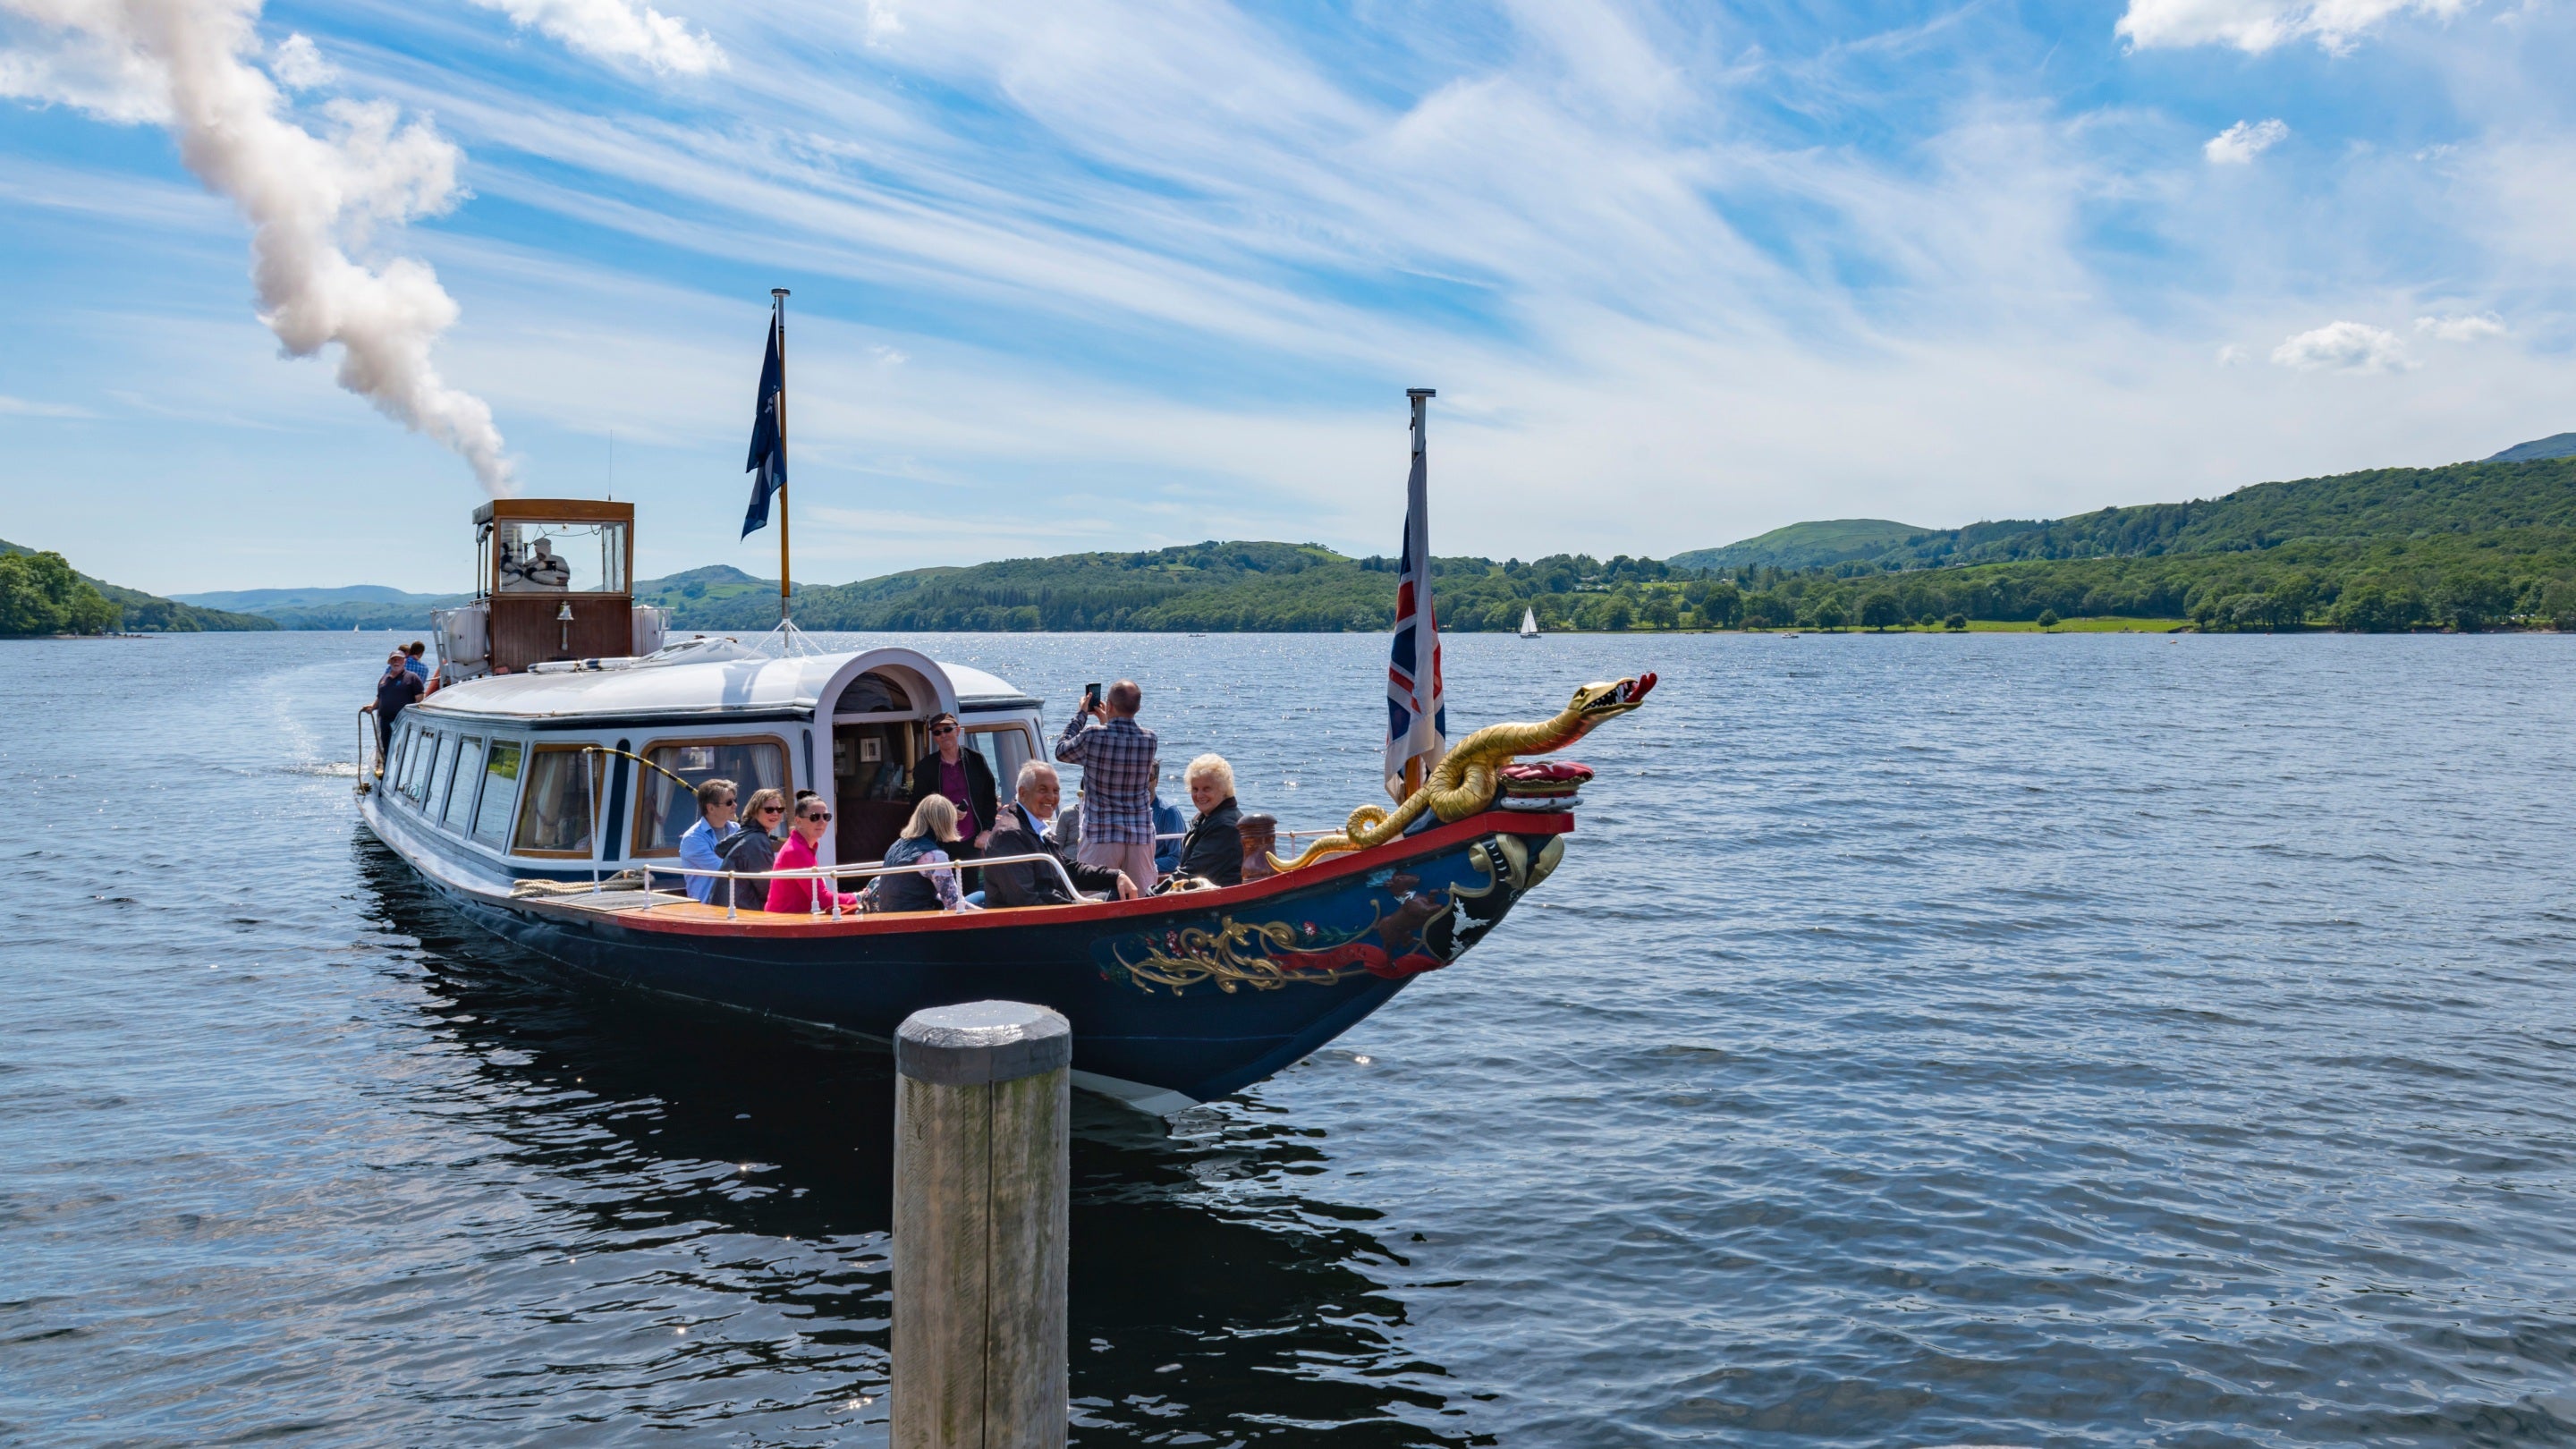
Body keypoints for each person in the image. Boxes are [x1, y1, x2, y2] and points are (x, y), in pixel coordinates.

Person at [983, 762, 1139, 908]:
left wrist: (1116, 876)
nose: (1051, 797)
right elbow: (1025, 900)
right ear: (1023, 793)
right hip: (1031, 930)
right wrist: (1079, 909)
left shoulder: (1034, 828)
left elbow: (1067, 870)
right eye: (1043, 790)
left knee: (1119, 893)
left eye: (1055, 791)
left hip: (1054, 916)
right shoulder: (1009, 836)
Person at [1055, 679, 1159, 894]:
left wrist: (1081, 714)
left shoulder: (1093, 735)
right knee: (1142, 899)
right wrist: (1107, 721)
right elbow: (1119, 743)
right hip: (1139, 837)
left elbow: (1061, 751)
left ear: (1109, 705)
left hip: (1101, 835)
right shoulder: (1150, 739)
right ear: (1138, 708)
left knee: (1093, 900)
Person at [872, 795, 980, 913]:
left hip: (888, 918)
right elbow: (953, 904)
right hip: (918, 922)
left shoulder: (896, 845)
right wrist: (984, 913)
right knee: (981, 897)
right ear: (945, 822)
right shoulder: (934, 856)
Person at [908, 713, 996, 857]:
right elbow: (917, 807)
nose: (943, 735)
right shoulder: (925, 768)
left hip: (973, 841)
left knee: (971, 880)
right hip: (939, 844)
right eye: (937, 732)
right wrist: (946, 811)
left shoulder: (975, 760)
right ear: (934, 737)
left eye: (947, 730)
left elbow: (989, 798)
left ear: (958, 730)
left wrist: (987, 830)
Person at [767, 797, 860, 916]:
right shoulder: (796, 851)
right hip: (785, 924)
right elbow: (822, 899)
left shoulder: (801, 846)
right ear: (798, 821)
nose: (822, 822)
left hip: (791, 920)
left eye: (826, 817)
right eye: (815, 817)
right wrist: (859, 896)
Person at [1167, 753, 1245, 888]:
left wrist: (1149, 897)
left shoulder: (1224, 826)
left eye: (1207, 789)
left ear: (1224, 789)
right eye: (1195, 789)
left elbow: (1191, 873)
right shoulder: (1207, 818)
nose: (1199, 795)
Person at [716, 788, 787, 911]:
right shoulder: (757, 840)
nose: (775, 813)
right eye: (769, 810)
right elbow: (767, 887)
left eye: (779, 809)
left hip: (732, 910)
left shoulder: (749, 835)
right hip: (744, 913)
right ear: (754, 811)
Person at [675, 777, 739, 904]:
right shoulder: (692, 839)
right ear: (711, 808)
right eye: (729, 802)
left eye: (735, 800)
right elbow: (723, 871)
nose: (735, 805)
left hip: (736, 902)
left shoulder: (736, 829)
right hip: (708, 908)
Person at [369, 649, 423, 775]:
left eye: (399, 659)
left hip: (402, 721)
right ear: (389, 662)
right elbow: (380, 697)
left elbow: (420, 699)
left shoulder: (412, 678)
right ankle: (388, 772)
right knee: (387, 747)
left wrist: (417, 717)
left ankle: (400, 773)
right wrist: (372, 707)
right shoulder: (384, 678)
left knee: (401, 748)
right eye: (394, 659)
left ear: (404, 662)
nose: (396, 662)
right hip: (385, 720)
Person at [1151, 792, 1185, 877]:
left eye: (1149, 779)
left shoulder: (1169, 812)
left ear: (1156, 781)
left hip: (1155, 872)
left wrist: (1141, 865)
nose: (1144, 782)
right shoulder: (1125, 810)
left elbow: (1176, 860)